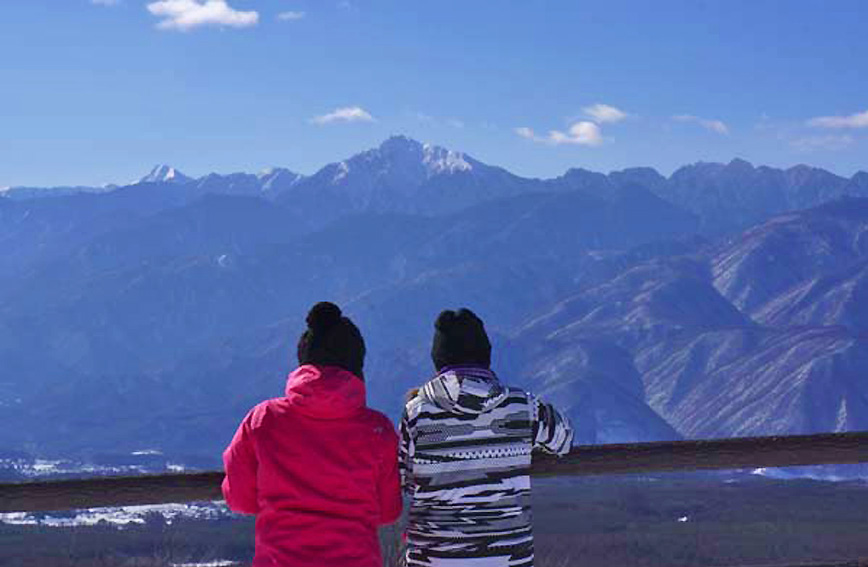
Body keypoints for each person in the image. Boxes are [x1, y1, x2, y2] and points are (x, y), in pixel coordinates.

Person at [222, 301, 402, 567]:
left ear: (303, 360)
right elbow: (388, 510)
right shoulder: (378, 430)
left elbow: (240, 499)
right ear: (357, 365)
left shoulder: (263, 420)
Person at [399, 308, 573, 567]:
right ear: (486, 355)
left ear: (438, 360)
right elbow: (564, 439)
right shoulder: (521, 407)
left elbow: (403, 479)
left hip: (436, 558)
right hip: (507, 559)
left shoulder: (418, 412)